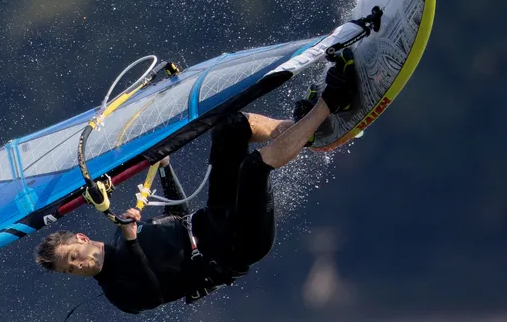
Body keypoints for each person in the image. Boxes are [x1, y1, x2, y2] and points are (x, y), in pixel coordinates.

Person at [34, 49, 357, 314]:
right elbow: (156, 290)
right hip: (237, 245)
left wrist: (164, 167)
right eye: (68, 270)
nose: (76, 266)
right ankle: (331, 102)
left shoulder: (122, 234)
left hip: (214, 216)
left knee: (230, 126)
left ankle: (301, 130)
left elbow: (181, 214)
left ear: (80, 237)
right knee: (253, 169)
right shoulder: (119, 292)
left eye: (72, 256)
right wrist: (132, 239)